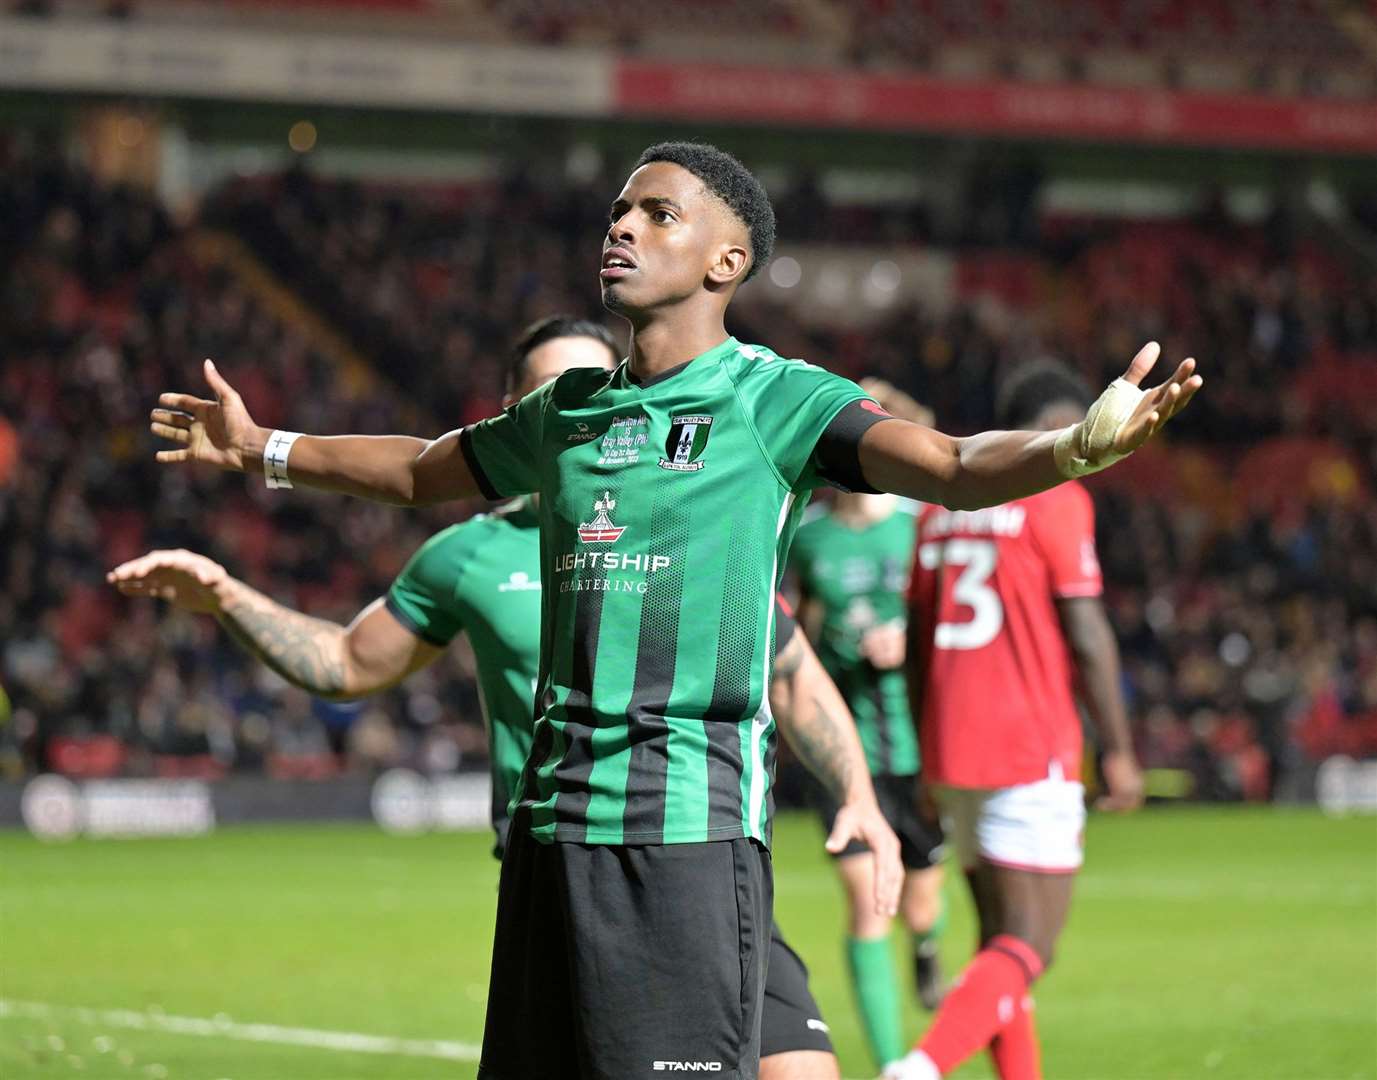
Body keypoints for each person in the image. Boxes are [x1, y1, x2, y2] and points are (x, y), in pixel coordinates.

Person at [148, 141, 1200, 1079]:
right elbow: (425, 470)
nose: (622, 227)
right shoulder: (566, 413)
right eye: (618, 210)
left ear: (724, 262)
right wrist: (264, 450)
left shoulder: (773, 397)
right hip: (550, 838)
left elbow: (952, 463)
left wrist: (1071, 451)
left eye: (657, 213)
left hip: (682, 834)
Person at [119, 314, 897, 1080]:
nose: (585, 400)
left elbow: (790, 674)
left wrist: (857, 793)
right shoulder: (467, 555)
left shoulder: (691, 524)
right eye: (553, 386)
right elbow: (346, 663)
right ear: (519, 412)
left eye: (594, 378)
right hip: (564, 867)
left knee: (801, 1067)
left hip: (695, 848)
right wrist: (226, 597)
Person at [885, 361, 1148, 1080]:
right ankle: (918, 1067)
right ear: (1055, 425)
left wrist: (922, 750)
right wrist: (1119, 750)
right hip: (1027, 744)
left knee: (997, 947)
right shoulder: (1055, 493)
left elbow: (912, 641)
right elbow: (1087, 632)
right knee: (1031, 945)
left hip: (950, 747)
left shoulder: (937, 508)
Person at [789, 381, 946, 1074]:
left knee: (917, 907)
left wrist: (908, 640)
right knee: (865, 902)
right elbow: (800, 630)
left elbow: (956, 628)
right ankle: (891, 1063)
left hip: (918, 751)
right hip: (844, 752)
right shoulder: (810, 537)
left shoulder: (922, 525)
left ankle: (927, 947)